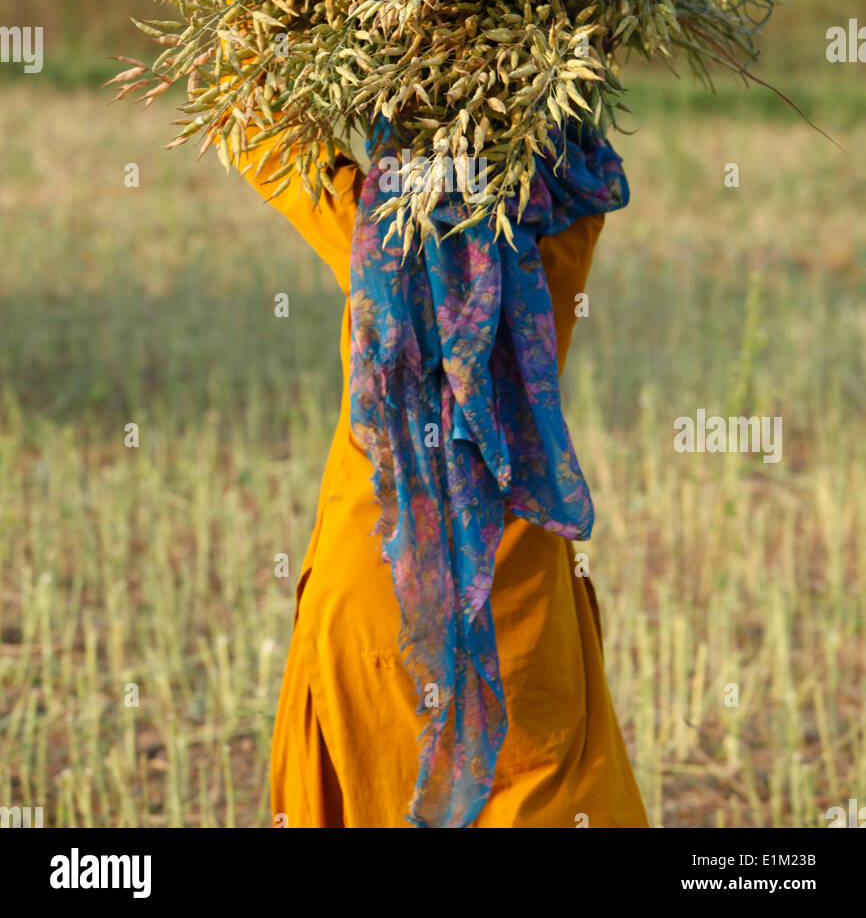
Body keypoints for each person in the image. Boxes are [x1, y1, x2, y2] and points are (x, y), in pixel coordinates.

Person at [229, 115, 648, 829]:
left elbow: (258, 129)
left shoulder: (369, 232)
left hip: (375, 588)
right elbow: (585, 158)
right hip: (514, 607)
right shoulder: (556, 237)